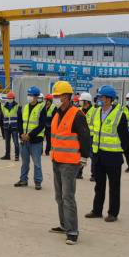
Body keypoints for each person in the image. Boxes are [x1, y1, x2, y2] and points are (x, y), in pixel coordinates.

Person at [48, 81, 91, 245]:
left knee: (68, 197)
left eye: (57, 96)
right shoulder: (57, 113)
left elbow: (85, 137)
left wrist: (84, 157)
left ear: (66, 97)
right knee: (59, 197)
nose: (55, 99)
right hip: (56, 160)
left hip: (70, 163)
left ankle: (72, 231)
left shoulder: (77, 115)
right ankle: (64, 225)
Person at [85, 85, 129, 222]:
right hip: (98, 156)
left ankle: (113, 213)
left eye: (102, 97)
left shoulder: (119, 115)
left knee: (114, 187)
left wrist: (126, 156)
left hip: (113, 157)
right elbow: (92, 131)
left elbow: (125, 138)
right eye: (99, 97)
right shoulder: (96, 112)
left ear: (109, 99)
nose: (100, 99)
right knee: (99, 185)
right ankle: (97, 210)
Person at [15, 86, 46, 189]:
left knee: (37, 163)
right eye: (28, 95)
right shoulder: (24, 107)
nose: (29, 97)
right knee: (24, 162)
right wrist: (21, 134)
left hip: (36, 141)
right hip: (24, 140)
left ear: (36, 97)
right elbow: (19, 122)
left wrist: (29, 135)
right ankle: (23, 180)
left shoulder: (41, 108)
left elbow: (41, 125)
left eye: (31, 95)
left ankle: (38, 181)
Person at [77, 92, 94, 179]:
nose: (79, 102)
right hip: (81, 136)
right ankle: (78, 172)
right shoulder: (78, 110)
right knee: (80, 154)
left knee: (93, 156)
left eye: (81, 101)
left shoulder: (95, 111)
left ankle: (94, 175)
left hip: (91, 136)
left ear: (86, 102)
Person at [0, 91, 19, 161]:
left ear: (13, 98)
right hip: (6, 126)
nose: (10, 99)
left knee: (16, 142)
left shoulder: (17, 106)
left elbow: (19, 117)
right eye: (9, 98)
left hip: (14, 127)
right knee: (7, 142)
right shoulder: (4, 106)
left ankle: (17, 156)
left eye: (11, 98)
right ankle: (7, 155)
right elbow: (2, 116)